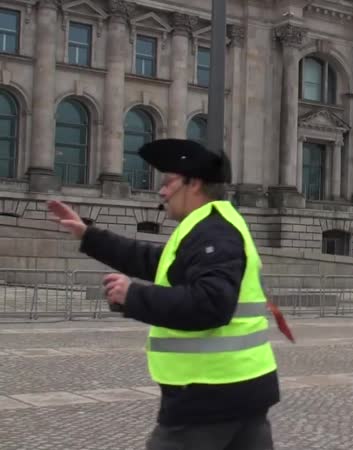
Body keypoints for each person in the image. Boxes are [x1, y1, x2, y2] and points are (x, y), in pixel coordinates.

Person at [47, 139, 282, 450]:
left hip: (209, 393)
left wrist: (133, 296)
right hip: (236, 388)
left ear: (193, 183)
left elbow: (211, 304)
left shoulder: (214, 232)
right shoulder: (206, 227)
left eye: (168, 182)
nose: (162, 191)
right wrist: (89, 236)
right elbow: (154, 261)